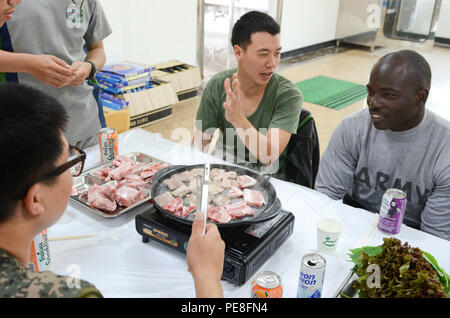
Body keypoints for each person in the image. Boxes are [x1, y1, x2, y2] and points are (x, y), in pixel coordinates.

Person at [0, 83, 225, 298]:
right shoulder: (62, 292)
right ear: (35, 199)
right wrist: (207, 276)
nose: (74, 170)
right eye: (69, 162)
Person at [315, 50, 450, 241]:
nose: (373, 103)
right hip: (351, 223)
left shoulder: (444, 147)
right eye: (371, 92)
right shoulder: (352, 128)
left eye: (388, 95)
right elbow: (324, 200)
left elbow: (435, 237)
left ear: (421, 97)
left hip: (411, 237)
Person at [194, 11, 303, 178]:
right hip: (222, 173)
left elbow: (269, 156)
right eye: (263, 54)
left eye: (277, 54)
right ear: (238, 52)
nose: (272, 63)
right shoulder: (218, 85)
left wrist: (237, 118)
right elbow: (200, 143)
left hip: (265, 181)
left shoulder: (288, 95)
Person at [0, 0, 112, 149]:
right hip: (27, 124)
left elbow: (97, 49)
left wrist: (89, 67)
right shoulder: (8, 3)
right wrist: (29, 64)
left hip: (87, 122)